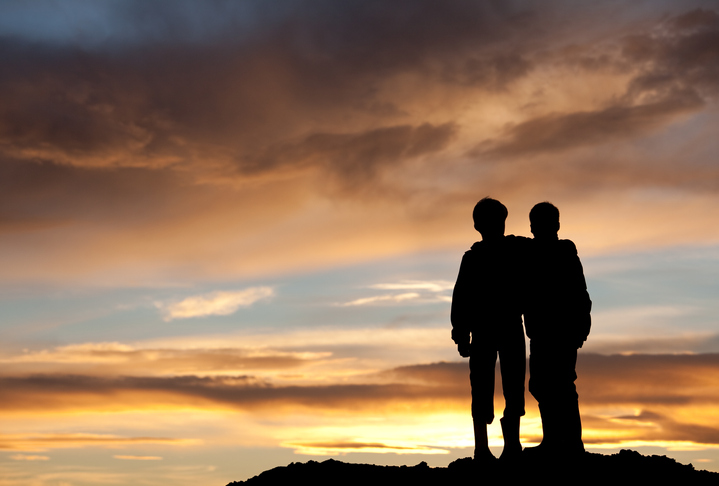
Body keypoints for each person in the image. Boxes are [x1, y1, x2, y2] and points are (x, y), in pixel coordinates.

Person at [451, 197, 526, 464]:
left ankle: (510, 446)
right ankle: (483, 449)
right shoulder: (473, 258)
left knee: (512, 385)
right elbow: (461, 298)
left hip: (507, 327)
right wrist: (461, 334)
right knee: (485, 387)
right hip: (487, 330)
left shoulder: (516, 249)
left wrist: (461, 333)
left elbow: (460, 299)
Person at [523, 202, 591, 457]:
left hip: (563, 331)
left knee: (561, 384)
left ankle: (572, 443)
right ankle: (553, 439)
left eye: (542, 223)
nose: (537, 228)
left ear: (556, 226)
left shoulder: (565, 250)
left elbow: (579, 291)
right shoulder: (529, 251)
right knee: (541, 385)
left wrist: (582, 325)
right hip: (540, 331)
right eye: (535, 224)